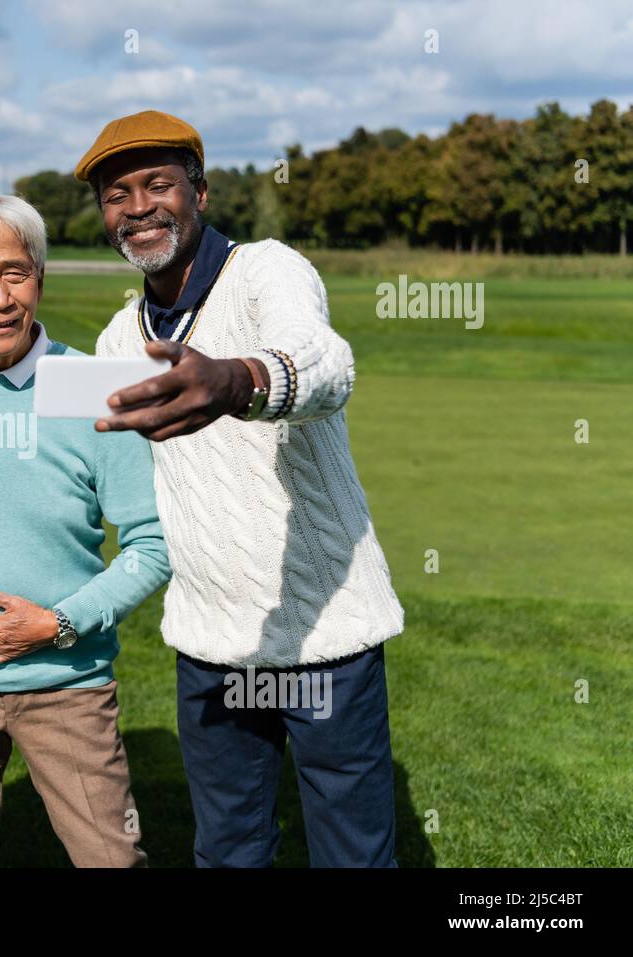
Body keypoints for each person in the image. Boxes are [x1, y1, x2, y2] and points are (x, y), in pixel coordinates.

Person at [78, 110, 406, 867]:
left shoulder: (265, 268)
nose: (137, 207)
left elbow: (324, 365)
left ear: (199, 189)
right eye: (116, 194)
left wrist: (235, 379)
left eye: (158, 184)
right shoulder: (117, 339)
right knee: (228, 849)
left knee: (354, 854)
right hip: (210, 642)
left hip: (325, 632)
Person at [0, 191, 171, 867]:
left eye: (16, 272)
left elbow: (155, 544)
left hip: (67, 680)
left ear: (40, 280)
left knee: (111, 856)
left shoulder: (91, 386)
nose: (0, 297)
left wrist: (59, 623)